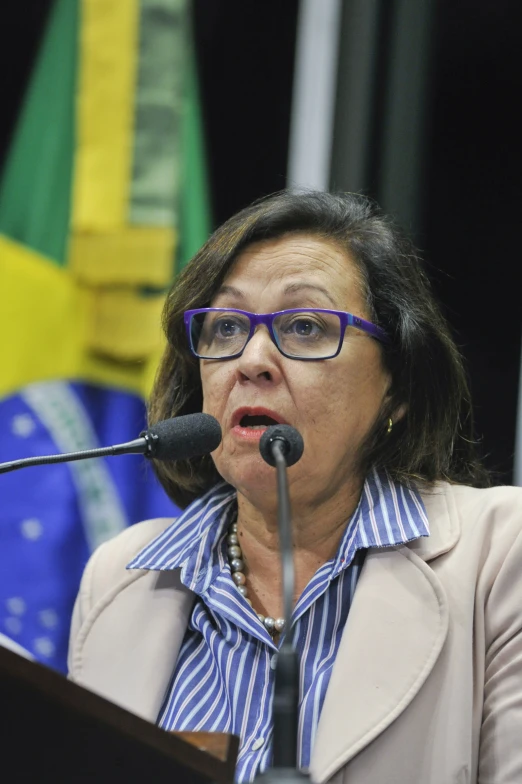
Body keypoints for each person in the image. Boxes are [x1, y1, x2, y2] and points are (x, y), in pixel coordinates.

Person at [68, 191, 522, 783]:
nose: (252, 360)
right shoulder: (121, 577)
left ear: (398, 386)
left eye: (305, 327)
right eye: (227, 326)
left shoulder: (497, 556)